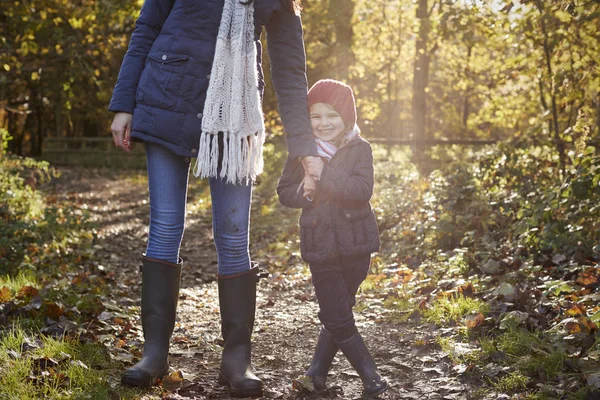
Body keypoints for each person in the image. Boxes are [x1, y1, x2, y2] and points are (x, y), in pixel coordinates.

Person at [108, 0, 323, 396]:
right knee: (166, 226)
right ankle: (154, 353)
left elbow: (291, 72)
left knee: (233, 233)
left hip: (235, 114)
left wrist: (304, 146)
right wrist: (123, 104)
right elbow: (147, 27)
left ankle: (237, 358)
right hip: (167, 96)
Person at [276, 79, 389, 398]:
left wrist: (324, 173)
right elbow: (284, 192)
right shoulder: (301, 152)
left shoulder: (359, 149)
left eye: (332, 116)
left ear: (347, 118)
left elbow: (361, 191)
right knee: (336, 313)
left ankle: (316, 375)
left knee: (339, 312)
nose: (324, 123)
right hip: (321, 246)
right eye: (316, 116)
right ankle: (372, 377)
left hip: (357, 246)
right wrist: (304, 190)